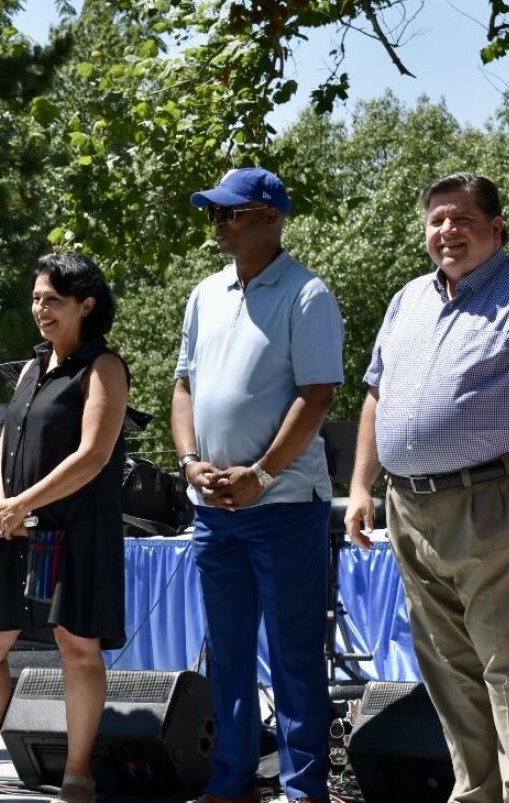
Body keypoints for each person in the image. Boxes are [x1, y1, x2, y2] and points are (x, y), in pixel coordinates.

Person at [345, 172, 509, 803]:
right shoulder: (407, 301)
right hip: (410, 507)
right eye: (437, 220)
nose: (447, 231)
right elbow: (376, 395)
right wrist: (363, 486)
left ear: (496, 229)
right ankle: (476, 793)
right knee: (450, 672)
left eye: (462, 220)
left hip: (498, 502)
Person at [0, 252, 129, 803]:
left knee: (78, 647)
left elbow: (93, 455)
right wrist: (3, 502)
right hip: (17, 531)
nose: (41, 309)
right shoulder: (30, 366)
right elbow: (5, 443)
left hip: (75, 532)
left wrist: (25, 501)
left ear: (86, 306)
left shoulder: (104, 367)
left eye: (54, 300)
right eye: (37, 298)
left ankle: (77, 776)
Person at [173, 167, 343, 803]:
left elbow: (318, 394)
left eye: (231, 213)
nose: (218, 223)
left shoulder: (307, 294)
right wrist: (191, 462)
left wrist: (263, 474)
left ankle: (304, 791)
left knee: (296, 657)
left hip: (285, 507)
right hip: (213, 508)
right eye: (213, 213)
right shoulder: (204, 294)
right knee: (228, 654)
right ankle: (232, 783)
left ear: (271, 217)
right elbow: (183, 385)